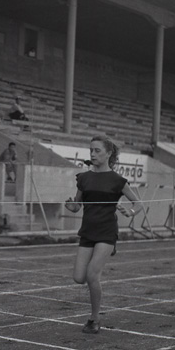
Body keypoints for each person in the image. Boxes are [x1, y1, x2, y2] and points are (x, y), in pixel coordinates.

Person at [64, 136, 140, 334]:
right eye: (91, 150)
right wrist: (71, 206)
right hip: (88, 231)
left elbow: (138, 203)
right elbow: (77, 206)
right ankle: (94, 291)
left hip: (107, 231)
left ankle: (94, 319)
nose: (93, 154)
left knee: (92, 274)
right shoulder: (84, 178)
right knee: (79, 278)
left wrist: (130, 212)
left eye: (97, 150)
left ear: (108, 154)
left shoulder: (117, 180)